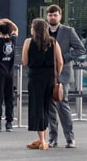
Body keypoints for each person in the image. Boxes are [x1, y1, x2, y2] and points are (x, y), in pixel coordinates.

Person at [46, 4, 86, 148]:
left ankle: (70, 138)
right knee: (49, 107)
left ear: (60, 16)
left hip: (63, 74)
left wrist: (63, 57)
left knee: (62, 104)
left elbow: (80, 49)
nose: (52, 17)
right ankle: (53, 138)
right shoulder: (43, 31)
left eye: (55, 15)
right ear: (47, 17)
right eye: (50, 15)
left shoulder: (68, 31)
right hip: (47, 73)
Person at [22, 17, 64, 149]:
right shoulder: (53, 42)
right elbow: (60, 62)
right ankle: (43, 139)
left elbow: (25, 61)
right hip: (50, 78)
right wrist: (56, 74)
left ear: (34, 29)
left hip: (35, 77)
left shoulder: (28, 42)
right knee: (47, 107)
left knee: (37, 108)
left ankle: (43, 140)